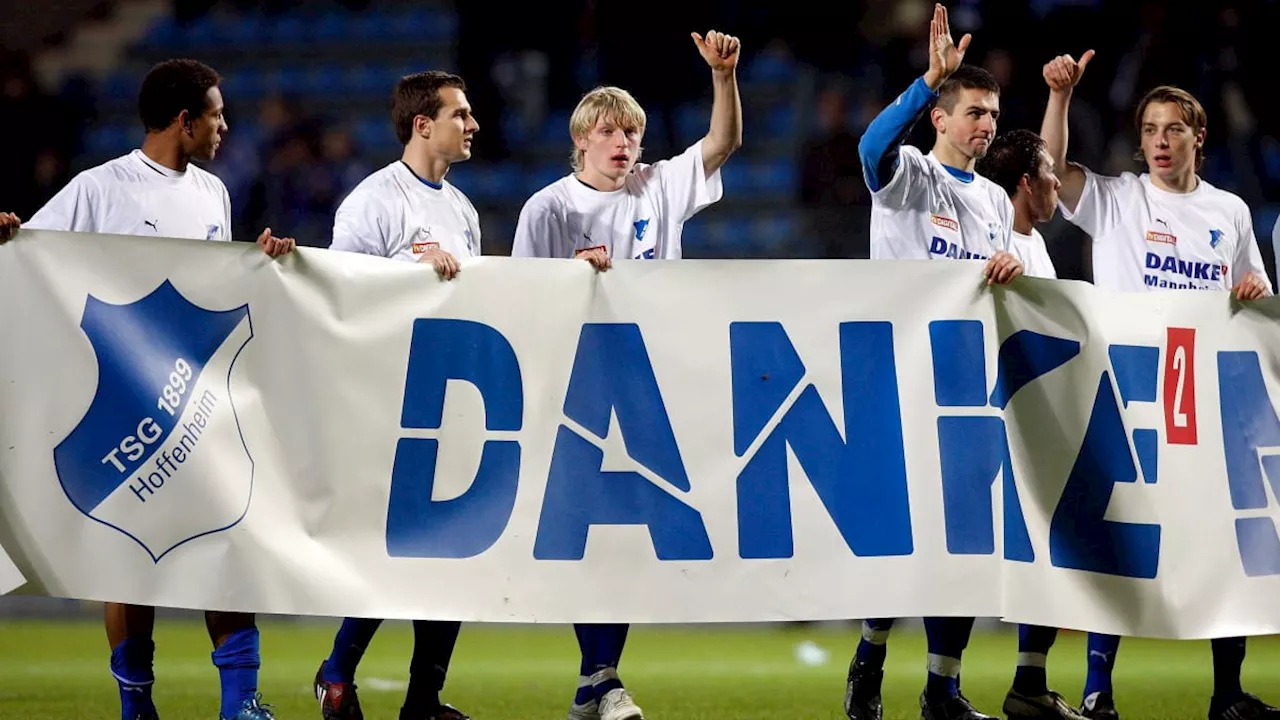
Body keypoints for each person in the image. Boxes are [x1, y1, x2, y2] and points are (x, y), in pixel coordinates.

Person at [0, 58, 294, 720]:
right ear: (185, 120)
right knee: (128, 557)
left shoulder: (214, 195)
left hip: (201, 397)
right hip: (126, 399)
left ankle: (239, 704)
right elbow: (33, 254)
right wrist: (10, 238)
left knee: (230, 540)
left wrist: (263, 259)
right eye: (216, 114)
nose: (224, 126)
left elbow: (217, 286)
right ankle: (137, 706)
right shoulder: (100, 189)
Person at [511, 29, 743, 720]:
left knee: (633, 538)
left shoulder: (658, 186)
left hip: (650, 384)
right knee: (592, 536)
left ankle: (597, 681)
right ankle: (601, 679)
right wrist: (567, 283)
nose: (624, 142)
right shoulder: (548, 209)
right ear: (580, 141)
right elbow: (519, 301)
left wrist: (723, 77)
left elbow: (722, 144)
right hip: (577, 385)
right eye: (610, 131)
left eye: (633, 131)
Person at [1041, 49, 1275, 720]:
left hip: (1203, 405)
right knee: (1122, 542)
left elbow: (1252, 294)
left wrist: (1254, 288)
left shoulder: (1227, 211)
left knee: (1221, 544)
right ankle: (1097, 690)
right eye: (1148, 130)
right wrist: (1060, 97)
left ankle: (1227, 693)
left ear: (1198, 136)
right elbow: (1053, 173)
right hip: (1127, 394)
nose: (1159, 142)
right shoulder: (1119, 198)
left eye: (1172, 128)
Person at [844, 5, 1022, 720]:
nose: (986, 123)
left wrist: (1013, 267)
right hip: (900, 380)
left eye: (993, 113)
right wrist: (926, 83)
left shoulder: (999, 204)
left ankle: (943, 688)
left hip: (970, 388)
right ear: (942, 120)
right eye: (973, 110)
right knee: (904, 544)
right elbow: (869, 148)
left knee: (969, 546)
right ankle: (869, 658)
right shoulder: (911, 177)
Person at [312, 70, 480, 720]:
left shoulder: (462, 210)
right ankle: (336, 672)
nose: (472, 125)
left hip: (451, 403)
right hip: (386, 402)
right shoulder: (372, 202)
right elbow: (339, 297)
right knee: (396, 552)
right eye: (460, 114)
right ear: (422, 124)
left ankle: (421, 701)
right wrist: (408, 278)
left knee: (455, 554)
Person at [975, 129, 1085, 720]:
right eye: (1048, 175)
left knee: (1050, 546)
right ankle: (920, 678)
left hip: (1039, 418)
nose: (1056, 184)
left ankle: (1029, 683)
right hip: (991, 421)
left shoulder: (1036, 249)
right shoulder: (986, 242)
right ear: (1026, 183)